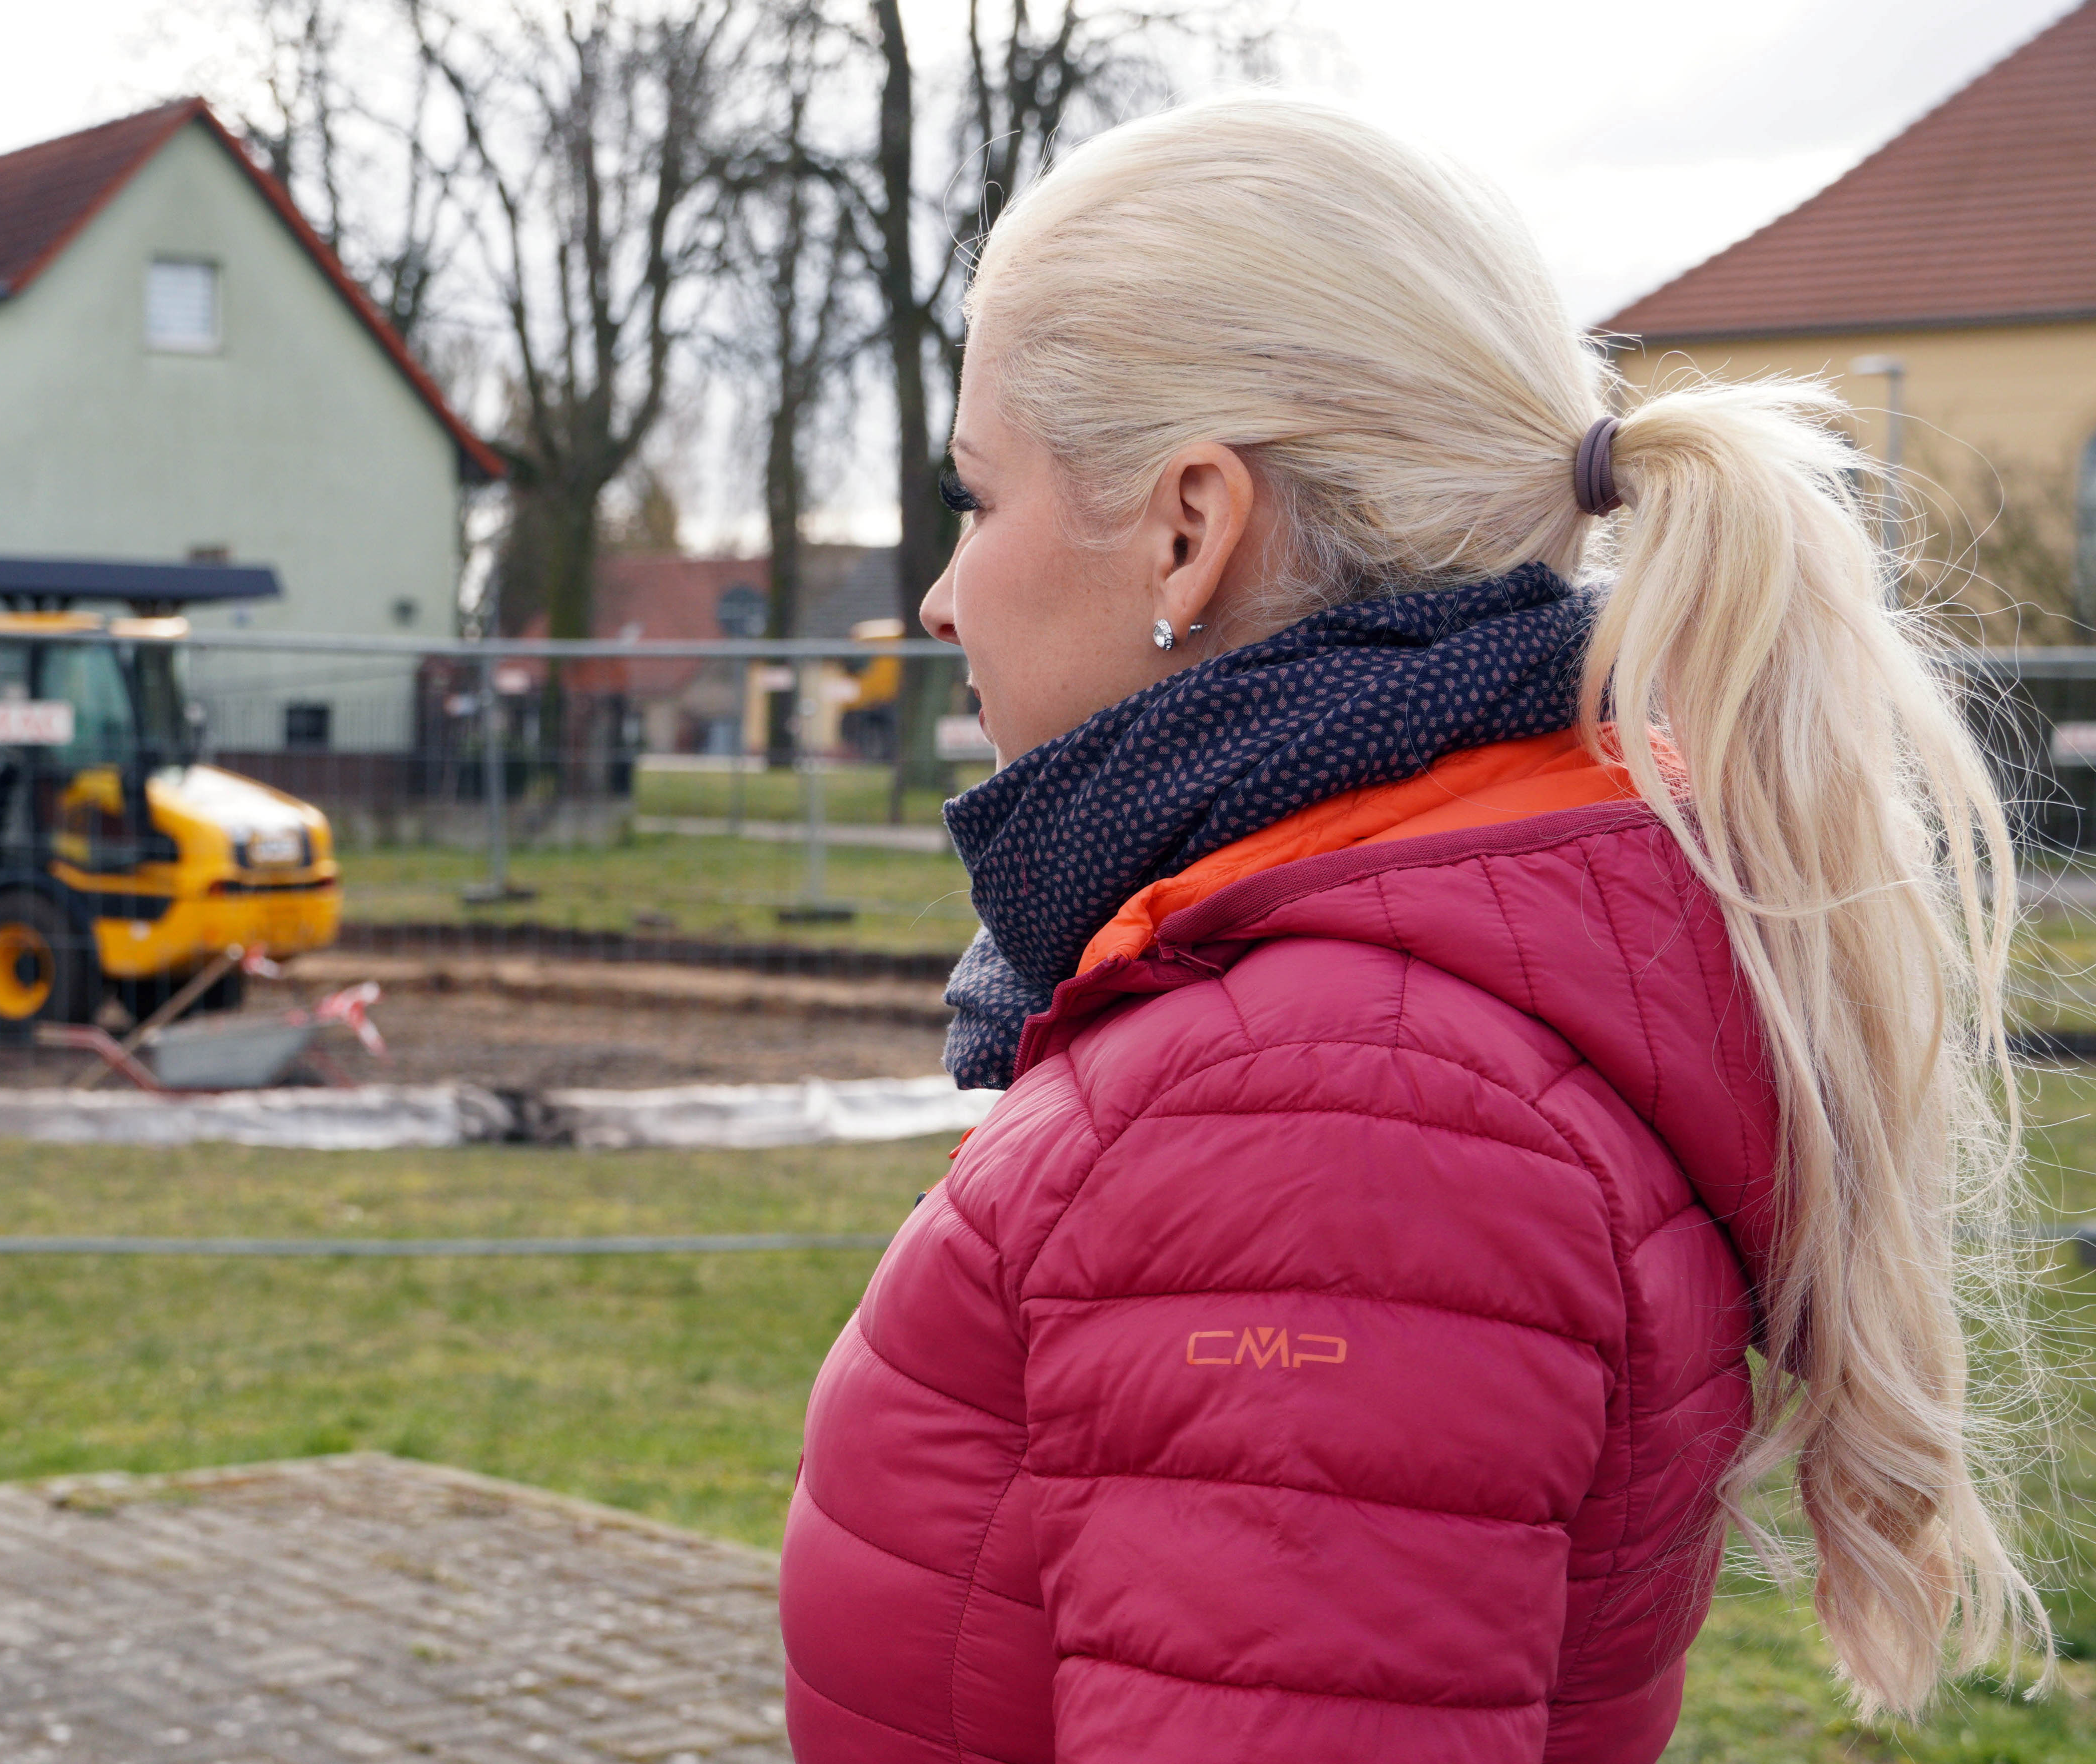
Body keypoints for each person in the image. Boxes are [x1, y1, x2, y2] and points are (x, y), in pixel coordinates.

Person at [779, 94, 2047, 1763]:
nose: (941, 598)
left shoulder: (1324, 1106)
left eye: (974, 495)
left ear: (1187, 524)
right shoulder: (1361, 1014)